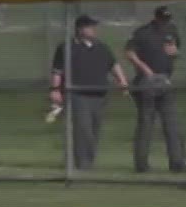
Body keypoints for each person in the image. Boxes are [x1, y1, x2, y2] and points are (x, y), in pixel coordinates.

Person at [48, 14, 127, 171]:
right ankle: (82, 164)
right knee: (83, 131)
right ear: (80, 29)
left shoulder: (101, 47)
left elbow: (114, 65)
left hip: (99, 95)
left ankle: (87, 162)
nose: (94, 29)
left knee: (95, 131)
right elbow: (58, 71)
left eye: (94, 26)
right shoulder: (66, 47)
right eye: (90, 26)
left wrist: (122, 81)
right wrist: (55, 90)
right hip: (78, 94)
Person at [126, 5, 186, 174]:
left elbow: (176, 51)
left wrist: (175, 52)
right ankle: (141, 164)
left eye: (168, 18)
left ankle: (177, 162)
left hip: (165, 80)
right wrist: (145, 69)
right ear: (156, 17)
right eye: (163, 18)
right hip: (147, 81)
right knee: (146, 123)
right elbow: (130, 52)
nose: (165, 21)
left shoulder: (172, 31)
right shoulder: (143, 32)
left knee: (172, 123)